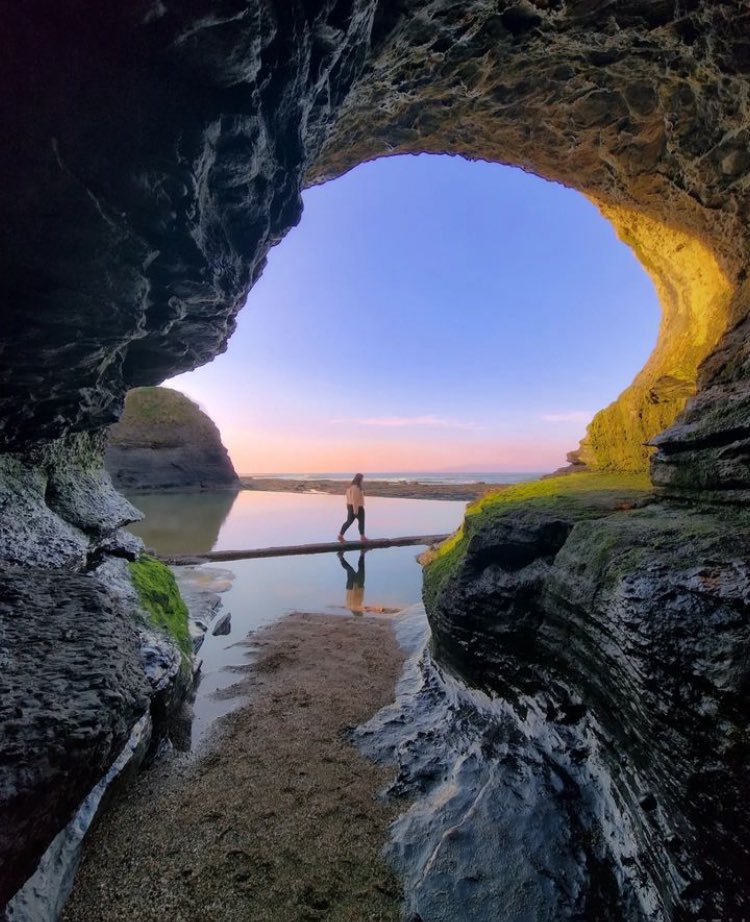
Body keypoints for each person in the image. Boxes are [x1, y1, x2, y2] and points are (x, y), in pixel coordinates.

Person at [337, 472, 368, 542]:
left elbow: (348, 499)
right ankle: (362, 537)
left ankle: (340, 536)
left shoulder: (350, 487)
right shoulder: (356, 488)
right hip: (357, 507)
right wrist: (356, 511)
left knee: (349, 521)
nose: (362, 480)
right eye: (362, 479)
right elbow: (355, 500)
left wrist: (349, 508)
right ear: (359, 479)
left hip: (350, 506)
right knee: (361, 522)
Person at [338, 550, 366, 614]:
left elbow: (351, 597)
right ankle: (362, 554)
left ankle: (340, 557)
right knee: (361, 568)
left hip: (351, 586)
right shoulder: (356, 605)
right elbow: (360, 598)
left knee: (350, 569)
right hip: (359, 585)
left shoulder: (350, 605)